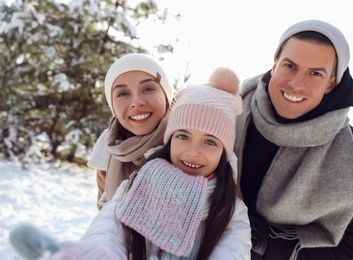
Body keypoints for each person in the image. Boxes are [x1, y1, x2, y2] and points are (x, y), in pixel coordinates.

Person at [9, 67, 252, 260]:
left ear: (224, 152)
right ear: (170, 140)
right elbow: (110, 229)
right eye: (182, 136)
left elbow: (232, 252)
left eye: (210, 142)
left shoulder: (230, 209)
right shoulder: (138, 183)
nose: (193, 151)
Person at [234, 19, 353, 259]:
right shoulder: (228, 112)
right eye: (289, 66)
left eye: (315, 73)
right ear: (274, 65)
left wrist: (267, 244)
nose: (295, 84)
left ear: (330, 84)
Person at [87, 53, 174, 209]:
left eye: (148, 88)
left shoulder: (189, 142)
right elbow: (104, 217)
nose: (136, 102)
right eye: (122, 93)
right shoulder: (109, 152)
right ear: (113, 106)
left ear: (166, 96)